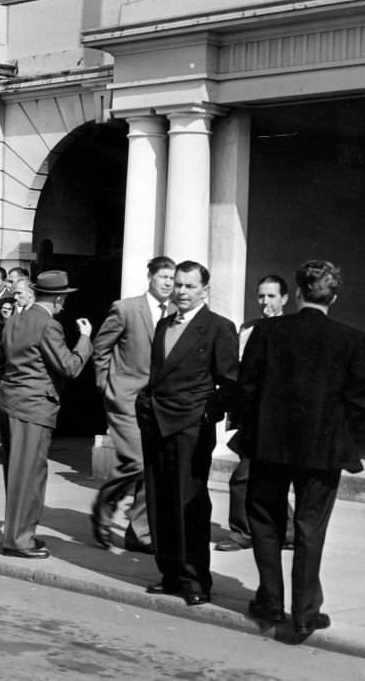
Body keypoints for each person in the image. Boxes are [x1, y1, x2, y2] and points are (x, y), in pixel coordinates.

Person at [238, 260, 365, 638]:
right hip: (322, 449)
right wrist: (349, 443)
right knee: (311, 529)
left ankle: (271, 602)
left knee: (265, 522)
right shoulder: (352, 340)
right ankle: (306, 612)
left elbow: (247, 387)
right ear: (334, 297)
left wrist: (250, 432)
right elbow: (359, 401)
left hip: (269, 445)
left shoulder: (267, 331)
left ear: (296, 293)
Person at [136, 261, 239, 606]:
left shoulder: (218, 327)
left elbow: (229, 380)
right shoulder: (164, 324)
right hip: (157, 424)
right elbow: (155, 374)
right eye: (178, 285)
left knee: (189, 503)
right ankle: (170, 572)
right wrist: (145, 405)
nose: (181, 291)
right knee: (160, 500)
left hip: (190, 427)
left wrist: (206, 414)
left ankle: (195, 579)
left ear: (204, 291)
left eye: (190, 287)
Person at [0, 270, 92, 559]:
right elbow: (70, 367)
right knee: (30, 475)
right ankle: (19, 540)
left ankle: (18, 533)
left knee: (16, 474)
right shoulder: (48, 325)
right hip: (34, 405)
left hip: (10, 401)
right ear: (60, 299)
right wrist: (85, 339)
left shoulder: (13, 320)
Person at [90, 256, 175, 554]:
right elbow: (101, 347)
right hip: (125, 398)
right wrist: (105, 383)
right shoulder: (126, 308)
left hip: (156, 403)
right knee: (137, 460)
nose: (167, 283)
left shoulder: (175, 313)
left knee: (150, 465)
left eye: (171, 278)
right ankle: (104, 505)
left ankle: (139, 532)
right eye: (163, 276)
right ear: (150, 277)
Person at [216, 274, 295, 552]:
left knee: (244, 476)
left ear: (285, 299)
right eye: (261, 296)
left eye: (271, 296)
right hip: (249, 414)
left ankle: (243, 532)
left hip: (273, 417)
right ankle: (287, 531)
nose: (265, 302)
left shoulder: (289, 330)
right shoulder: (248, 328)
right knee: (258, 474)